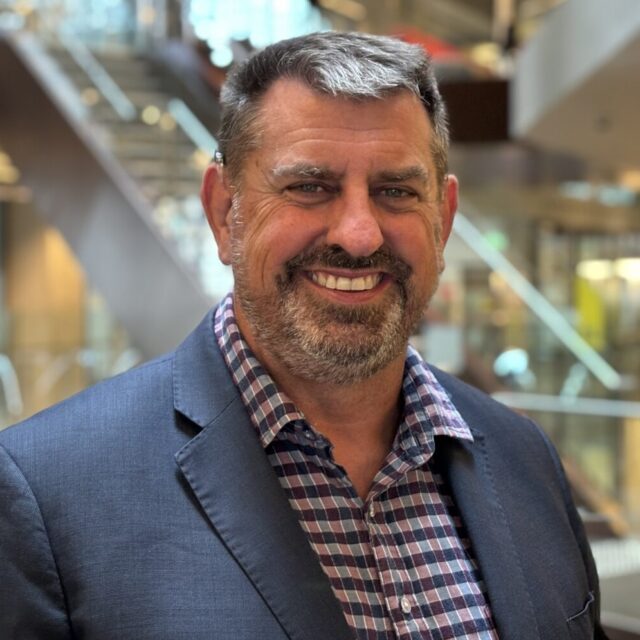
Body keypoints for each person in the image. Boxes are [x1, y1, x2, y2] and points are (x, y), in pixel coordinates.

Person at [0, 32, 606, 640]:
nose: (360, 234)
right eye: (309, 187)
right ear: (223, 213)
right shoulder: (49, 495)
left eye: (396, 191)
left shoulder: (525, 458)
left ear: (443, 221)